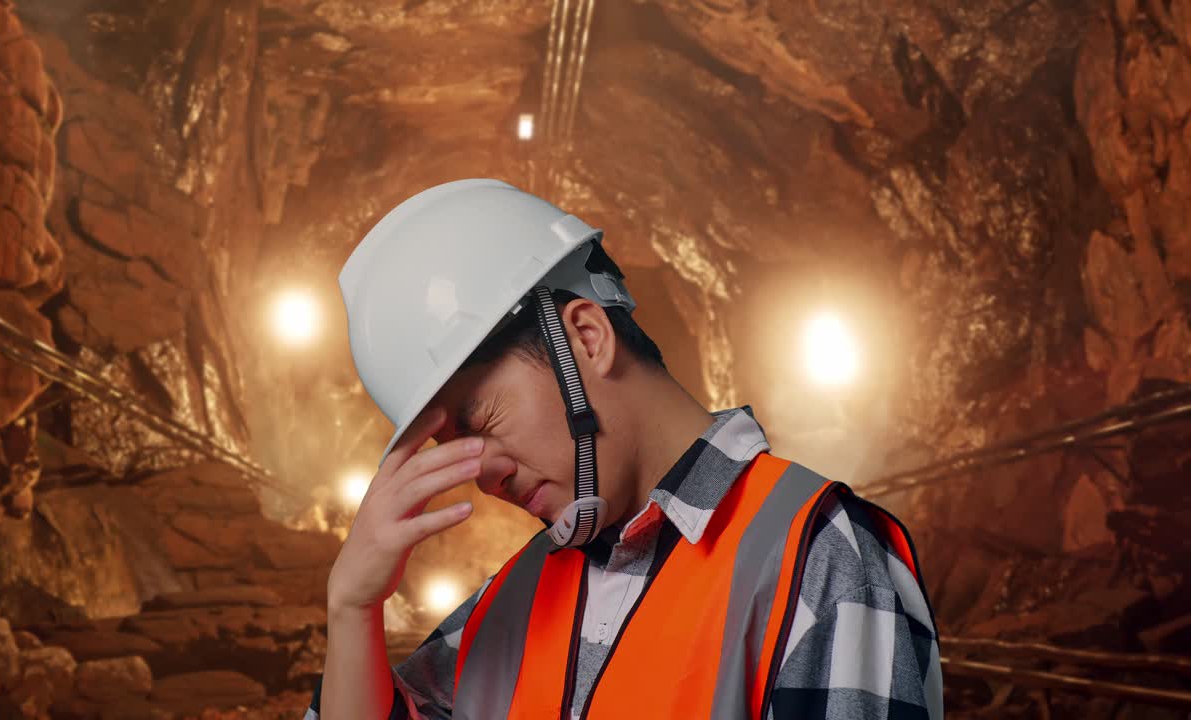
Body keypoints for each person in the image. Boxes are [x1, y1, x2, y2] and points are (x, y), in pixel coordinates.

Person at [307, 179, 943, 719]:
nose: (483, 474)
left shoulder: (818, 559)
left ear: (585, 338)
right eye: (453, 449)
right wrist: (352, 608)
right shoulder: (513, 601)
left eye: (482, 421)